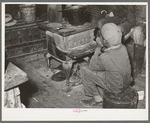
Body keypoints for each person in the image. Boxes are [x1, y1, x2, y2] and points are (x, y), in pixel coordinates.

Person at [80, 23, 132, 107]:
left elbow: (92, 66)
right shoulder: (123, 48)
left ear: (105, 41)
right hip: (127, 82)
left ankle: (97, 99)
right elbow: (111, 56)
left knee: (85, 70)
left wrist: (98, 48)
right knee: (109, 68)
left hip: (115, 87)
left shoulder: (105, 57)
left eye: (102, 37)